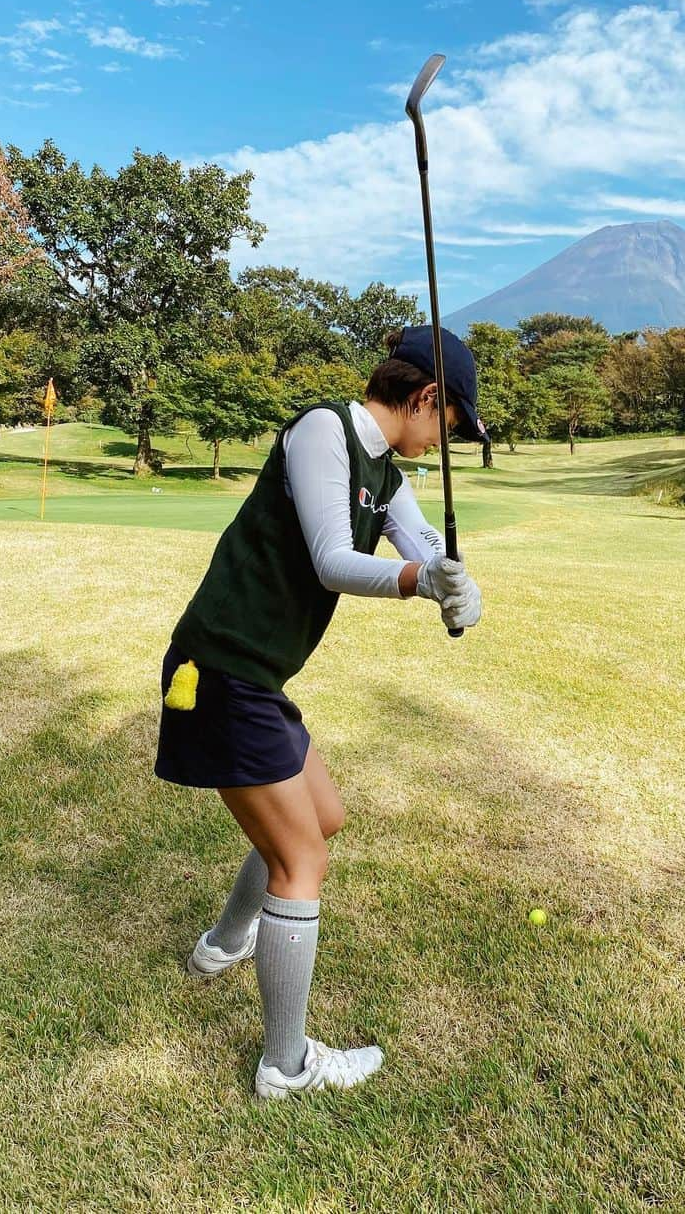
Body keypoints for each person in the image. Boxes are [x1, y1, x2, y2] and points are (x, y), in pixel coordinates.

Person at [155, 324, 486, 1101]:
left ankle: (225, 943)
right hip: (219, 671)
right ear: (427, 398)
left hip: (255, 679)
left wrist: (458, 583)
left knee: (322, 816)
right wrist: (418, 582)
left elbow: (424, 542)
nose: (445, 441)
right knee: (303, 862)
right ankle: (285, 1065)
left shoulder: (387, 472)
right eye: (450, 424)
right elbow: (335, 563)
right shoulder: (323, 431)